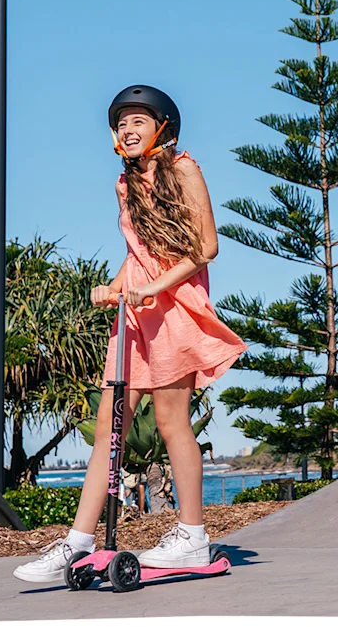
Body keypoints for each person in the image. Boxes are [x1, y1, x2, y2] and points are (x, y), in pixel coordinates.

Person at [14, 85, 247, 582]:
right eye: (121, 124)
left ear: (162, 127)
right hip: (135, 315)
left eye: (138, 121)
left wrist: (152, 288)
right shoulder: (124, 185)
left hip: (174, 310)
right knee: (108, 429)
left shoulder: (184, 169)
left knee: (170, 422)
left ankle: (192, 537)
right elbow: (136, 252)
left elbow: (206, 248)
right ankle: (77, 541)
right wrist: (116, 286)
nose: (127, 130)